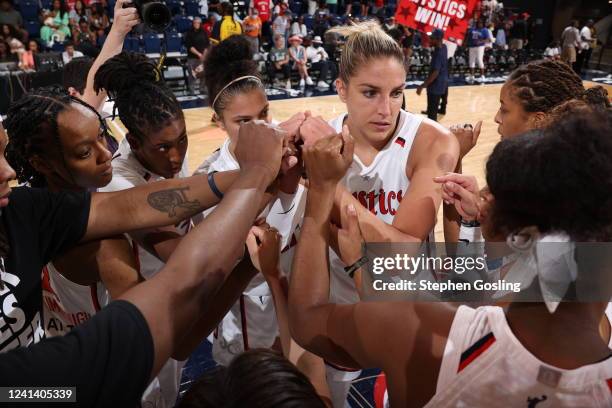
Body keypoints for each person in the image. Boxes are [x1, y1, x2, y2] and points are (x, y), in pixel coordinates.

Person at [290, 68, 612, 408]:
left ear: (497, 226)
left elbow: (307, 319)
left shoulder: (426, 333)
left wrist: (325, 192)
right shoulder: (601, 330)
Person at [0, 117, 287, 408]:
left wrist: (254, 174)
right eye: (85, 152)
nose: (105, 154)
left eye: (103, 138)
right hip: (108, 383)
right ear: (42, 163)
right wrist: (257, 177)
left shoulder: (24, 207)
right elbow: (179, 334)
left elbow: (134, 205)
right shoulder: (104, 246)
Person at [298, 20, 458, 406]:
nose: (386, 109)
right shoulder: (318, 139)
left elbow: (401, 251)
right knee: (331, 392)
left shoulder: (433, 140)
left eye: (397, 93)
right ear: (341, 89)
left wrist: (328, 186)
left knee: (417, 393)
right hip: (338, 296)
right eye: (370, 93)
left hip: (409, 296)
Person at [197, 34, 308, 371]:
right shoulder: (210, 179)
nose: (260, 126)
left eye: (265, 113)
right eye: (244, 122)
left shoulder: (291, 149)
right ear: (219, 122)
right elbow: (222, 263)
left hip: (293, 307)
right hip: (247, 327)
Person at [439, 59, 610, 244]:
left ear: (538, 120)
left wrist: (456, 157)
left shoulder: (531, 196)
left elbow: (464, 262)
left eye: (504, 109)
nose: (497, 118)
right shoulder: (566, 175)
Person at [417, 29, 448, 122]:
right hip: (442, 83)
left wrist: (422, 86)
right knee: (433, 109)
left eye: (432, 38)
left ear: (438, 39)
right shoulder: (444, 47)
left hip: (435, 86)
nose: (429, 40)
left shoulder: (438, 53)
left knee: (432, 117)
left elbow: (435, 73)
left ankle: (434, 135)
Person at [184, 17, 210, 93]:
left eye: (198, 23)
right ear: (193, 23)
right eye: (195, 23)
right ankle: (191, 90)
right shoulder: (189, 33)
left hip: (202, 57)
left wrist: (204, 55)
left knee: (203, 74)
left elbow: (207, 45)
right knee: (192, 74)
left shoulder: (204, 32)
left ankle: (202, 89)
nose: (196, 24)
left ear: (200, 24)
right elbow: (190, 46)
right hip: (192, 57)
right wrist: (199, 54)